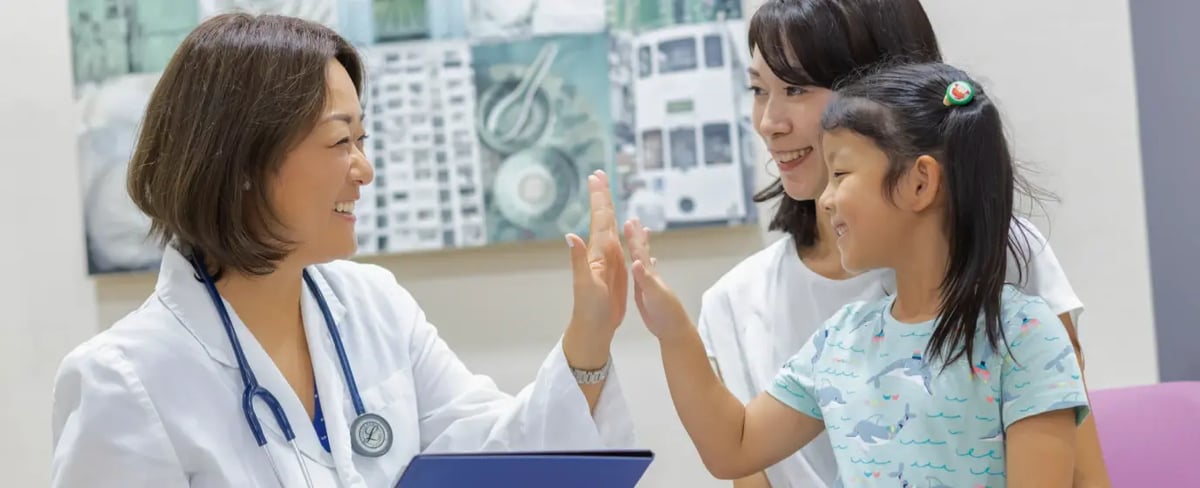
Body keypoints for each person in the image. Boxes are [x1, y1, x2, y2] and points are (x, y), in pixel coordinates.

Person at [49, 13, 633, 488]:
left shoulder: (375, 306)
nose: (365, 170)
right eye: (339, 141)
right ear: (245, 163)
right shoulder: (123, 380)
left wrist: (590, 335)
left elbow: (499, 460)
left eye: (363, 139)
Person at [695, 1, 1109, 486]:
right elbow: (738, 457)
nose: (769, 121)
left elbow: (1081, 471)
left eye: (795, 88)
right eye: (758, 90)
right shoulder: (735, 302)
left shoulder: (1006, 255)